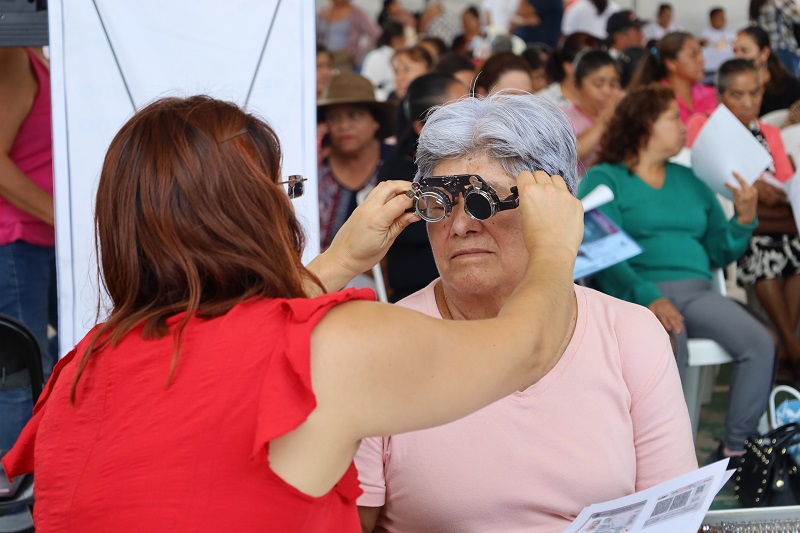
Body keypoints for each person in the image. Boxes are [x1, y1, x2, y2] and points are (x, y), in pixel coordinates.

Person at [1, 94, 584, 532]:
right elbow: (528, 347)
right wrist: (556, 248)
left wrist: (336, 262)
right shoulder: (336, 346)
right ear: (253, 211)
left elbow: (223, 328)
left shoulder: (83, 364)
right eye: (285, 190)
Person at [356, 92, 697, 533]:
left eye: (484, 201)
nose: (460, 225)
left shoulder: (629, 333)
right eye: (440, 202)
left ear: (553, 208)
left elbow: (671, 513)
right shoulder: (378, 348)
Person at [579, 85, 775, 462]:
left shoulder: (690, 179)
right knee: (669, 340)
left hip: (697, 293)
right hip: (632, 295)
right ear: (644, 123)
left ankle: (735, 448)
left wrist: (745, 218)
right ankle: (667, 459)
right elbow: (601, 254)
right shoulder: (607, 178)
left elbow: (720, 250)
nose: (683, 125)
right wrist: (646, 294)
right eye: (672, 116)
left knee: (761, 342)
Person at [687, 59, 800, 381]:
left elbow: (786, 179)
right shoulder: (704, 124)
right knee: (760, 250)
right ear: (721, 95)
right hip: (734, 222)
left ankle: (784, 348)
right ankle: (792, 349)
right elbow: (703, 168)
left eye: (755, 93)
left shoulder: (769, 131)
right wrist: (757, 184)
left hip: (775, 219)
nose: (748, 102)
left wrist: (762, 186)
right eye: (738, 95)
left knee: (796, 254)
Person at [0, 44, 54, 533]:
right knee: (18, 375)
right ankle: (13, 511)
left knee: (31, 367)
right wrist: (66, 218)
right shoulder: (12, 53)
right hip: (15, 241)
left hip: (28, 240)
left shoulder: (31, 50)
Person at [379, 73, 466, 302]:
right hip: (420, 293)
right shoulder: (399, 174)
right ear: (422, 127)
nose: (473, 118)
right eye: (458, 115)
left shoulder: (475, 162)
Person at [317, 71, 396, 251]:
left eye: (354, 115)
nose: (344, 126)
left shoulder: (396, 165)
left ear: (376, 121)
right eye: (334, 117)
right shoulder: (316, 172)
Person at [628, 31, 717, 124]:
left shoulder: (712, 94)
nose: (702, 60)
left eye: (700, 53)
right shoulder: (655, 100)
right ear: (671, 63)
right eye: (693, 55)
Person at [560, 50, 623, 176]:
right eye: (599, 84)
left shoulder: (623, 117)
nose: (607, 91)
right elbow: (567, 157)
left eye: (613, 84)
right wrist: (603, 122)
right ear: (577, 85)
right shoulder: (563, 116)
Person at [733, 25, 800, 116]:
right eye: (735, 51)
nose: (738, 56)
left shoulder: (791, 88)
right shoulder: (731, 88)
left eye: (745, 51)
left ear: (765, 53)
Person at [538, 32, 603, 106]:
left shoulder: (603, 99)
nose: (599, 71)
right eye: (592, 65)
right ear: (569, 67)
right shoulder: (543, 104)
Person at [316, 0, 380, 70]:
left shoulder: (357, 13)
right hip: (325, 58)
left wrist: (359, 53)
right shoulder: (322, 12)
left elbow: (375, 33)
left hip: (344, 59)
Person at [749, 0, 800, 76]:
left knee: (778, 80)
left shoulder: (757, 4)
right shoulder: (778, 1)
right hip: (783, 47)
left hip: (767, 49)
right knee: (792, 81)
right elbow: (797, 17)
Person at [362, 20, 407, 99]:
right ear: (396, 39)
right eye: (404, 37)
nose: (406, 41)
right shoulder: (396, 58)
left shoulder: (372, 54)